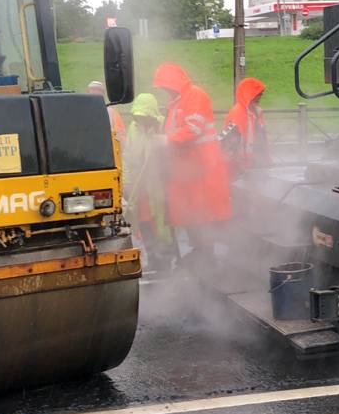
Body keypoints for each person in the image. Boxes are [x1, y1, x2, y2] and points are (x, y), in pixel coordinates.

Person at [152, 61, 232, 256]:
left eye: (166, 87)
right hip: (187, 169)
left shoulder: (195, 95)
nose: (165, 91)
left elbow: (193, 129)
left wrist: (166, 139)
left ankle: (205, 255)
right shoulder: (178, 101)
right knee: (191, 214)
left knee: (202, 214)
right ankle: (200, 252)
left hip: (202, 166)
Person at [123, 93, 176, 269]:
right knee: (143, 221)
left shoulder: (161, 127)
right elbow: (129, 156)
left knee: (161, 223)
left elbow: (172, 154)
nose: (142, 121)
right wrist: (128, 184)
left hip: (158, 185)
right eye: (139, 117)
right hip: (140, 186)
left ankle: (166, 258)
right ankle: (153, 258)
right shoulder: (133, 128)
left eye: (145, 117)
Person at [220, 76, 269, 176]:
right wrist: (239, 165)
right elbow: (230, 144)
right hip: (241, 167)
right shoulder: (237, 113)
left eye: (261, 94)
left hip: (256, 162)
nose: (260, 97)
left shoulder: (256, 111)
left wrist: (266, 158)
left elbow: (262, 136)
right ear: (250, 94)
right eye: (258, 94)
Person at [89, 80, 126, 149]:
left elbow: (122, 138)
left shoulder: (113, 114)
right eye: (92, 91)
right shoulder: (84, 113)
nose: (94, 93)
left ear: (103, 95)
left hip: (109, 154)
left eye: (97, 91)